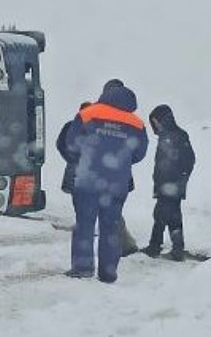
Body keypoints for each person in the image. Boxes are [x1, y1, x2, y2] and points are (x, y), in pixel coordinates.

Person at [64, 82, 148, 283]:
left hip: (88, 180)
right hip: (117, 183)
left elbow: (71, 144)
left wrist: (88, 156)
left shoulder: (88, 114)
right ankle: (108, 273)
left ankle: (83, 267)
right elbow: (139, 153)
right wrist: (120, 161)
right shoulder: (137, 124)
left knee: (85, 225)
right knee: (110, 228)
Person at [139, 104, 195, 261]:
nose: (154, 125)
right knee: (170, 216)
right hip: (168, 185)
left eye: (155, 121)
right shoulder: (169, 135)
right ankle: (174, 248)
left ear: (163, 120)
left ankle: (156, 247)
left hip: (171, 186)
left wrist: (178, 179)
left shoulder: (176, 136)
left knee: (162, 216)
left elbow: (189, 160)